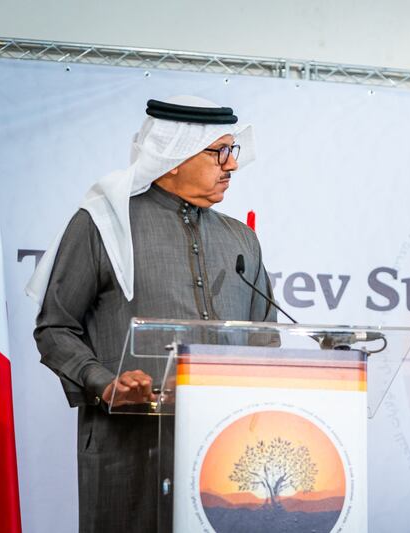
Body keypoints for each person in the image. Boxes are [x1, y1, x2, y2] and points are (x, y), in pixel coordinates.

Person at [28, 96, 277, 532]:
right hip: (130, 450)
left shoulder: (242, 240)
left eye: (232, 152)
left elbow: (264, 340)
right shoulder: (103, 224)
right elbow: (55, 327)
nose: (231, 166)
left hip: (228, 454)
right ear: (174, 156)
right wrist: (106, 385)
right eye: (219, 152)